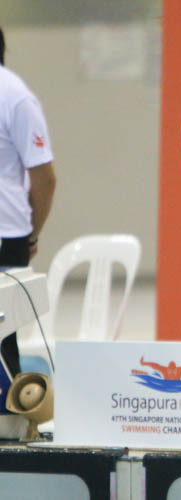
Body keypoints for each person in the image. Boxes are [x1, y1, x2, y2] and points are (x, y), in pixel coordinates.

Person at [0, 26, 57, 377]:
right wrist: (31, 234)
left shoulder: (13, 95)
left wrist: (29, 234)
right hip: (11, 234)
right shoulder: (15, 95)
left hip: (5, 234)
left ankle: (9, 415)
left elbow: (44, 178)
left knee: (3, 339)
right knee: (3, 337)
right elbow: (46, 180)